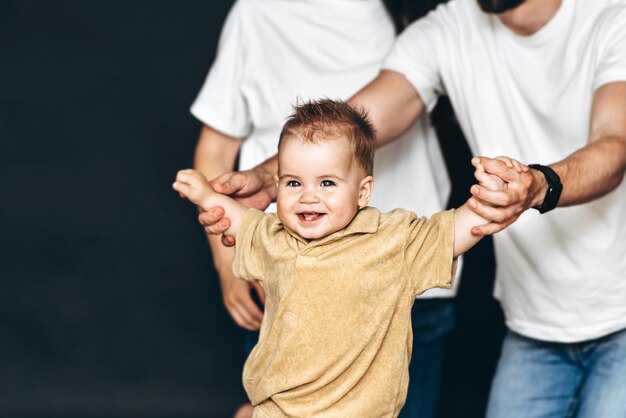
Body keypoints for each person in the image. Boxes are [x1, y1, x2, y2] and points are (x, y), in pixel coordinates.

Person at [201, 0, 626, 416]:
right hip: (532, 320)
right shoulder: (447, 26)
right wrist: (268, 176)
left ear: (366, 191)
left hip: (619, 311)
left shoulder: (611, 17)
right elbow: (355, 126)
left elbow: (615, 145)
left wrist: (537, 185)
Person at [191, 1, 465, 416]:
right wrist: (228, 264)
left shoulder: (409, 13)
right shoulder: (257, 13)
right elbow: (214, 148)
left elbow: (402, 96)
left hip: (408, 272)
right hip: (290, 271)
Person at [176, 99, 508, 417]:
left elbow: (450, 232)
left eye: (327, 183)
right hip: (279, 408)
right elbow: (241, 221)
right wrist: (206, 195)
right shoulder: (274, 234)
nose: (308, 196)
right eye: (294, 182)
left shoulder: (390, 241)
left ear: (362, 191)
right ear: (277, 187)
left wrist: (493, 199)